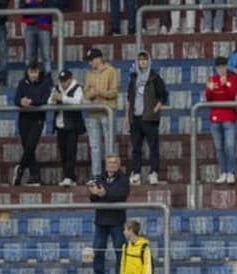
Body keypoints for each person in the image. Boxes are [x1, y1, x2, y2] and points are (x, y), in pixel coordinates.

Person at [126, 51, 167, 186]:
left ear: (149, 61)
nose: (143, 62)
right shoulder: (133, 78)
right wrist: (127, 116)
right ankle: (136, 173)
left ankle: (153, 173)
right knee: (136, 148)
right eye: (140, 60)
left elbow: (164, 95)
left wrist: (156, 109)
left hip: (149, 118)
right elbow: (129, 99)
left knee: (153, 147)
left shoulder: (155, 77)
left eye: (145, 60)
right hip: (135, 118)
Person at [13, 62, 51, 187]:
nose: (33, 75)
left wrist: (31, 102)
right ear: (27, 72)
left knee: (30, 146)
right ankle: (35, 176)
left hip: (38, 119)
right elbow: (16, 99)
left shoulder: (45, 83)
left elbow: (45, 99)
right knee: (28, 149)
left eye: (35, 72)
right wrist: (21, 101)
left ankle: (20, 170)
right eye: (31, 72)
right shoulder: (22, 83)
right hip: (24, 119)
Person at [83, 48, 118, 179]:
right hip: (93, 114)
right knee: (95, 147)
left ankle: (111, 173)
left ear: (98, 59)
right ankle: (96, 175)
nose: (90, 63)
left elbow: (114, 92)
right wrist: (90, 94)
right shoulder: (89, 74)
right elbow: (86, 92)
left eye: (91, 60)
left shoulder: (111, 71)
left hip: (107, 112)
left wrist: (99, 92)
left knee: (110, 146)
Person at [204, 56, 237, 184]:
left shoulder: (233, 79)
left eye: (223, 66)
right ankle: (223, 172)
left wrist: (225, 86)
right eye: (219, 67)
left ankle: (231, 172)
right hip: (215, 118)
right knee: (219, 148)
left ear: (227, 67)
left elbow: (232, 95)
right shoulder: (211, 79)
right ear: (216, 68)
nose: (221, 69)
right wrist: (210, 90)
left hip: (229, 117)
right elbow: (208, 99)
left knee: (229, 146)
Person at [50, 69, 84, 187]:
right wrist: (54, 99)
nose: (64, 83)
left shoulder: (77, 88)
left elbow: (78, 101)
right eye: (62, 81)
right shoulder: (56, 88)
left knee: (71, 152)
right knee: (63, 152)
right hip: (60, 125)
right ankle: (70, 176)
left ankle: (68, 176)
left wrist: (62, 98)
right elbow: (50, 101)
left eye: (66, 80)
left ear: (70, 79)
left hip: (72, 126)